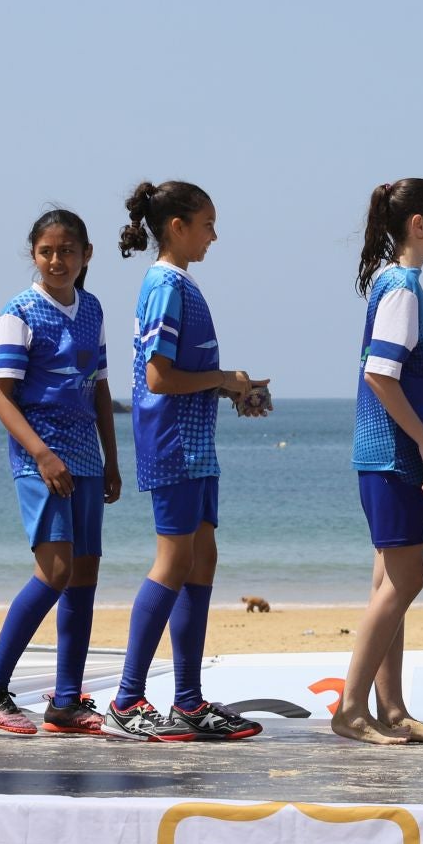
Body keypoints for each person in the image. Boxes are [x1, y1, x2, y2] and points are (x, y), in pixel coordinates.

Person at [111, 180, 269, 742]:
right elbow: (158, 377)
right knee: (174, 561)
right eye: (207, 224)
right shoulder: (164, 285)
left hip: (196, 443)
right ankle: (128, 698)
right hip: (172, 441)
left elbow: (178, 373)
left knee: (202, 560)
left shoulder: (180, 284)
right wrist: (224, 380)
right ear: (176, 226)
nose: (214, 235)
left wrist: (230, 390)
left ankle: (187, 700)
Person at [0, 209, 123, 735]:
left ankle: (66, 701)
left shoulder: (93, 307)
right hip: (42, 458)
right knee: (54, 572)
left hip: (87, 459)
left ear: (86, 255)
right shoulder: (19, 311)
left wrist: (112, 460)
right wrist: (41, 455)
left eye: (68, 251)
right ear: (34, 254)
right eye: (47, 251)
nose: (57, 260)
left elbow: (99, 387)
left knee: (84, 578)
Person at [335, 179, 423, 745]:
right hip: (392, 458)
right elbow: (380, 375)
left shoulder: (397, 285)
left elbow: (408, 381)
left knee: (391, 582)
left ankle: (392, 708)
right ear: (418, 225)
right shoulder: (403, 289)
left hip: (389, 454)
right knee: (407, 578)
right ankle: (351, 707)